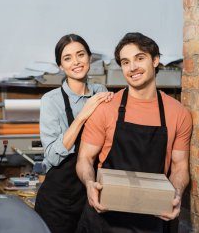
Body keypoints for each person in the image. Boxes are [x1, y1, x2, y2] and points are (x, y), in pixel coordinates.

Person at [76, 32, 192, 233]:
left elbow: (179, 166)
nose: (132, 68)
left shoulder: (177, 113)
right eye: (125, 62)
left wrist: (177, 195)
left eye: (140, 58)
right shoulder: (105, 109)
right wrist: (89, 184)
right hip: (105, 217)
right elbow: (84, 159)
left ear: (155, 60)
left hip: (154, 217)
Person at [34, 34, 113, 233]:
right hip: (58, 202)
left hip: (91, 193)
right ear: (60, 65)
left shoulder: (100, 91)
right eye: (68, 58)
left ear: (89, 58)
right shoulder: (51, 100)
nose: (76, 62)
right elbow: (52, 155)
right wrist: (82, 116)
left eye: (80, 55)